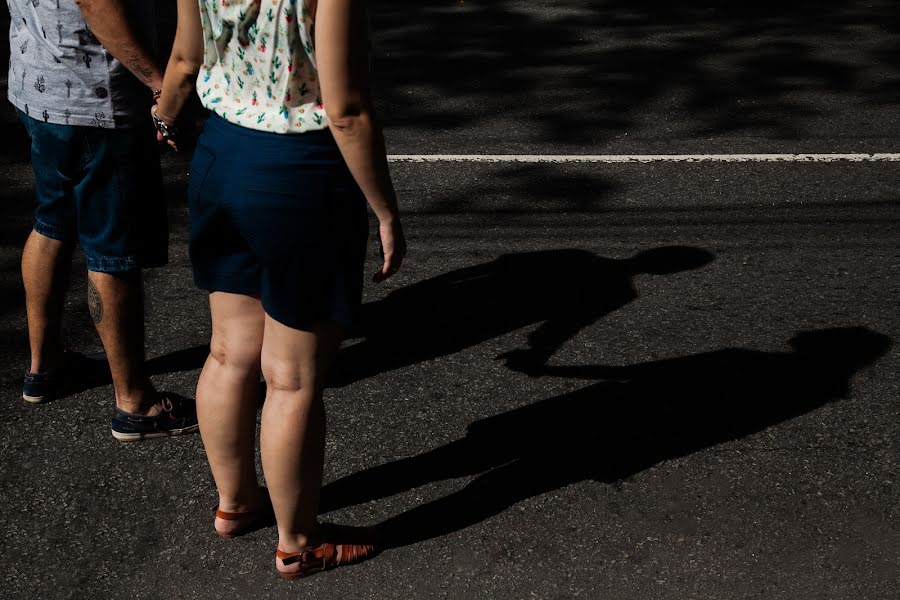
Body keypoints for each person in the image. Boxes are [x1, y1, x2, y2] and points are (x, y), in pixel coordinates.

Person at [154, 0, 406, 579]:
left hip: (222, 154)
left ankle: (236, 503)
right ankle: (298, 542)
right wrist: (386, 211)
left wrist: (164, 117)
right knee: (291, 378)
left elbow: (187, 56)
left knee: (228, 350)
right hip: (298, 169)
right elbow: (344, 109)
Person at [7, 0, 199, 440]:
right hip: (95, 98)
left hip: (38, 81)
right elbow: (98, 3)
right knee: (112, 249)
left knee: (53, 220)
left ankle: (45, 365)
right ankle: (136, 403)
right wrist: (160, 88)